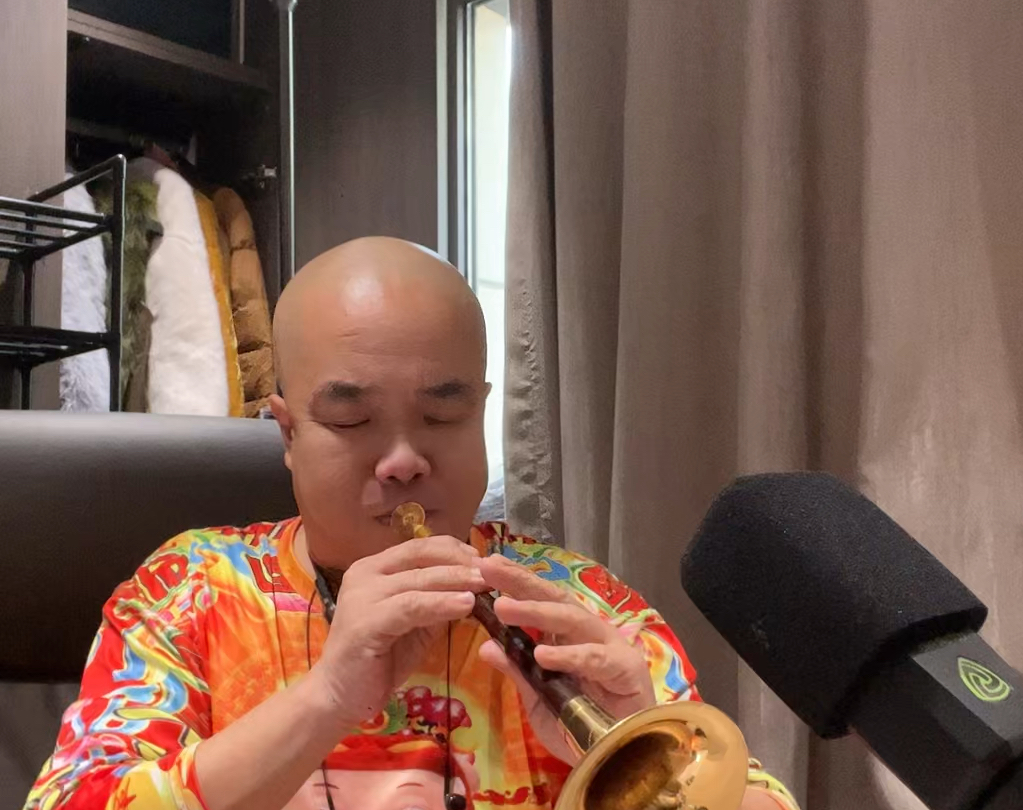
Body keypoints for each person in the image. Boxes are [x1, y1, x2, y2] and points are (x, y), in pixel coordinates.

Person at [25, 238, 799, 810]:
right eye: (351, 421)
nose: (402, 460)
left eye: (442, 415)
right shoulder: (191, 590)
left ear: (483, 414)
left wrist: (638, 725)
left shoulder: (578, 604)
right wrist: (326, 698)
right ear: (288, 434)